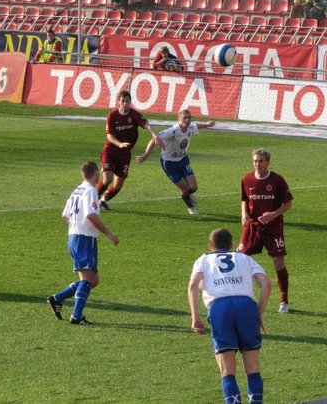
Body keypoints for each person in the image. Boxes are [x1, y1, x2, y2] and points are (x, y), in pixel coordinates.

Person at [188, 228, 271, 404]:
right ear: (232, 244)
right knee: (253, 367)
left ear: (210, 246)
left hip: (220, 308)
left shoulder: (203, 260)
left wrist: (195, 317)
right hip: (246, 307)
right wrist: (259, 313)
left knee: (227, 370)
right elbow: (266, 283)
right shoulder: (245, 258)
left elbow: (193, 285)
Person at [47, 162, 119, 325]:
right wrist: (109, 234)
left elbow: (65, 215)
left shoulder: (76, 190)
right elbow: (91, 216)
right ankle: (76, 316)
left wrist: (76, 225)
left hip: (74, 237)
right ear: (95, 172)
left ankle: (57, 299)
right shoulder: (91, 190)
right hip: (84, 239)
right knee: (87, 280)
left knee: (93, 280)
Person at [238, 148, 293, 314]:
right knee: (239, 259)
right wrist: (244, 214)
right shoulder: (246, 179)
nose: (257, 164)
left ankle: (284, 301)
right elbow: (244, 199)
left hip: (273, 227)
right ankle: (242, 296)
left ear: (268, 162)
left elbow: (288, 204)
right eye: (255, 161)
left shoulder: (277, 180)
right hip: (253, 226)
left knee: (278, 262)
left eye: (261, 161)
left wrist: (273, 215)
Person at [136, 109, 215, 216]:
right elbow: (154, 139)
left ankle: (186, 195)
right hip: (169, 164)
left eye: (189, 118)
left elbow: (197, 126)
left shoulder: (190, 127)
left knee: (193, 188)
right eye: (184, 118)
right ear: (179, 120)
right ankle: (190, 206)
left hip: (182, 160)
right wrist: (146, 154)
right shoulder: (172, 131)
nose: (187, 120)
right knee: (185, 188)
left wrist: (207, 124)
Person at [97, 90, 164, 211]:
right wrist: (119, 144)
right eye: (122, 101)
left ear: (130, 102)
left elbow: (147, 124)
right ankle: (92, 200)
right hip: (110, 151)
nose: (125, 103)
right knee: (108, 178)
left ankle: (103, 201)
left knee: (118, 185)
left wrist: (155, 136)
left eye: (127, 101)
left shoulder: (134, 114)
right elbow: (109, 136)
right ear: (119, 102)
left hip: (125, 154)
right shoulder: (112, 116)